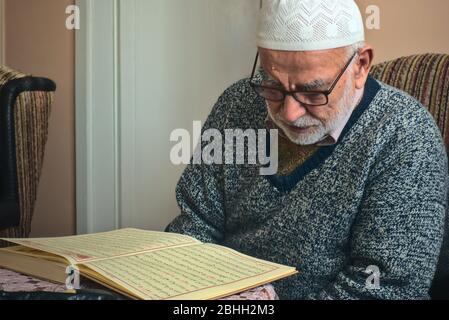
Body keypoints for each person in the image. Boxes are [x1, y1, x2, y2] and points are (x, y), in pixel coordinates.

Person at [166, 0, 448, 299]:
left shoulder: (404, 134)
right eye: (273, 87)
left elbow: (385, 289)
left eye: (313, 92)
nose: (289, 113)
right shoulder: (237, 103)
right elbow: (194, 225)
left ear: (361, 66)